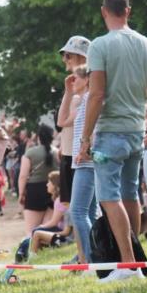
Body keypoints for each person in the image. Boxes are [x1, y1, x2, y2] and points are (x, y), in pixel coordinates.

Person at [76, 0, 147, 273]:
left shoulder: (100, 46)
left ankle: (128, 262)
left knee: (108, 197)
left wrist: (84, 138)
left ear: (104, 11)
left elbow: (96, 95)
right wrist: (137, 90)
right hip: (136, 131)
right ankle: (136, 258)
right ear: (128, 11)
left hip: (111, 131)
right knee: (131, 195)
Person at [66, 65, 97, 264]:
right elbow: (62, 120)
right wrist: (68, 92)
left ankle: (90, 260)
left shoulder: (89, 102)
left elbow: (95, 127)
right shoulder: (84, 101)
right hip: (86, 161)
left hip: (86, 162)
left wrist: (85, 150)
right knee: (90, 213)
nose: (71, 81)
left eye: (74, 78)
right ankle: (96, 256)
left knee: (77, 211)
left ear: (86, 80)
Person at [57, 36, 91, 214]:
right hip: (70, 153)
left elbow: (61, 121)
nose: (64, 59)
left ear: (81, 57)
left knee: (79, 211)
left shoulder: (82, 96)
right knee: (77, 210)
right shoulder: (76, 91)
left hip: (77, 156)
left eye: (68, 55)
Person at [18, 124, 59, 234]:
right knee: (47, 229)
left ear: (38, 137)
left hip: (34, 191)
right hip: (53, 191)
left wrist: (21, 193)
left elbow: (23, 176)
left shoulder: (30, 153)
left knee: (31, 230)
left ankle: (32, 250)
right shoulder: (57, 152)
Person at [30, 172, 74, 253]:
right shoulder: (63, 204)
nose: (47, 184)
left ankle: (32, 256)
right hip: (63, 236)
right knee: (38, 233)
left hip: (66, 240)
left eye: (49, 182)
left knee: (37, 233)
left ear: (56, 186)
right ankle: (36, 255)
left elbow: (65, 232)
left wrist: (51, 233)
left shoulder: (65, 207)